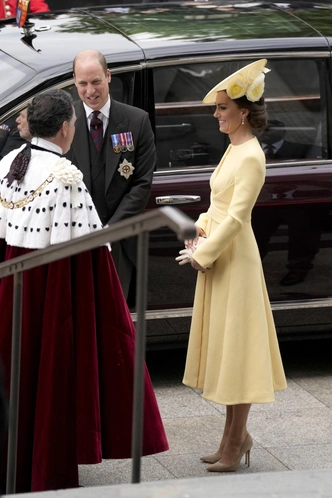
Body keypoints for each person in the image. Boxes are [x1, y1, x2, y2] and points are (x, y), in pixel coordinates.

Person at [0, 89, 168, 493]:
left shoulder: (7, 163)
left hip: (9, 291)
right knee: (47, 375)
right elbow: (93, 253)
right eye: (73, 122)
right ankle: (43, 470)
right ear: (64, 127)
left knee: (12, 376)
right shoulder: (65, 177)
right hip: (50, 291)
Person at [180, 60, 287, 472]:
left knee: (238, 353)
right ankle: (232, 438)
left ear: (244, 111)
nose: (216, 114)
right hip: (221, 255)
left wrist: (201, 253)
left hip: (236, 262)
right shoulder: (233, 148)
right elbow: (217, 207)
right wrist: (199, 232)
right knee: (227, 349)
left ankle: (236, 440)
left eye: (222, 107)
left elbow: (238, 217)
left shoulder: (252, 157)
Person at [66, 49, 156, 304]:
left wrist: (110, 231)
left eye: (95, 81)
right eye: (82, 83)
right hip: (74, 238)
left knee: (115, 315)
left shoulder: (137, 121)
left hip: (119, 240)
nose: (90, 91)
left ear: (108, 76)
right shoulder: (64, 121)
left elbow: (141, 184)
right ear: (74, 80)